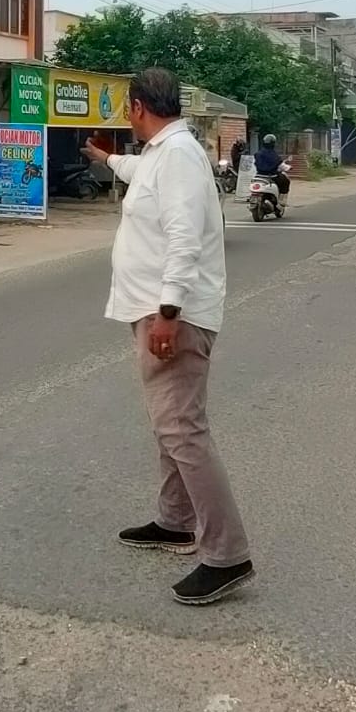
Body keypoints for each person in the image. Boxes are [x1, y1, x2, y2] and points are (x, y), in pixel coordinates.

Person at [83, 67, 252, 606]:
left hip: (172, 314)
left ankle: (227, 555)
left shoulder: (177, 155)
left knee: (183, 429)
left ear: (137, 107)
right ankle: (176, 521)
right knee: (170, 425)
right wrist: (105, 158)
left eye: (125, 109)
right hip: (158, 310)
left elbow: (183, 239)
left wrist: (168, 312)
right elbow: (137, 170)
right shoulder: (161, 153)